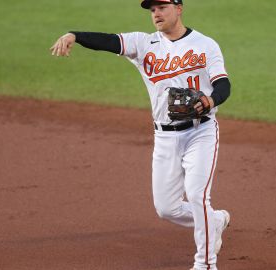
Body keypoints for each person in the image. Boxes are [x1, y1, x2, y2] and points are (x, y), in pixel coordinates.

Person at [50, 0, 231, 269]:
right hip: (165, 137)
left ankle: (205, 264)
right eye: (152, 10)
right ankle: (214, 221)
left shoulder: (206, 45)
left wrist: (208, 102)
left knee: (196, 195)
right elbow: (109, 41)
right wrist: (74, 35)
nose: (156, 13)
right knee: (166, 208)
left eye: (162, 7)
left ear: (179, 8)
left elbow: (223, 85)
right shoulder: (144, 43)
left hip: (200, 132)